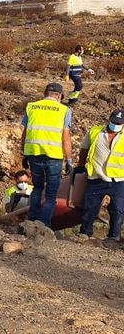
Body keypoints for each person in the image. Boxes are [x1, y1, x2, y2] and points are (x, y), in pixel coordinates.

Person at [21, 82, 73, 227]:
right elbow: (66, 137)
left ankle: (31, 221)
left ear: (45, 93)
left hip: (34, 154)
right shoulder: (64, 110)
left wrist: (24, 154)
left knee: (37, 188)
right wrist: (69, 160)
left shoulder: (31, 107)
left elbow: (24, 133)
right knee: (50, 194)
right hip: (53, 157)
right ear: (59, 95)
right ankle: (44, 225)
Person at [77, 109, 124, 240]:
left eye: (119, 123)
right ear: (109, 119)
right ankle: (85, 233)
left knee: (118, 209)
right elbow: (84, 149)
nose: (116, 125)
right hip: (97, 176)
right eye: (114, 122)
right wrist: (80, 166)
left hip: (119, 179)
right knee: (90, 207)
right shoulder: (95, 132)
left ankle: (113, 237)